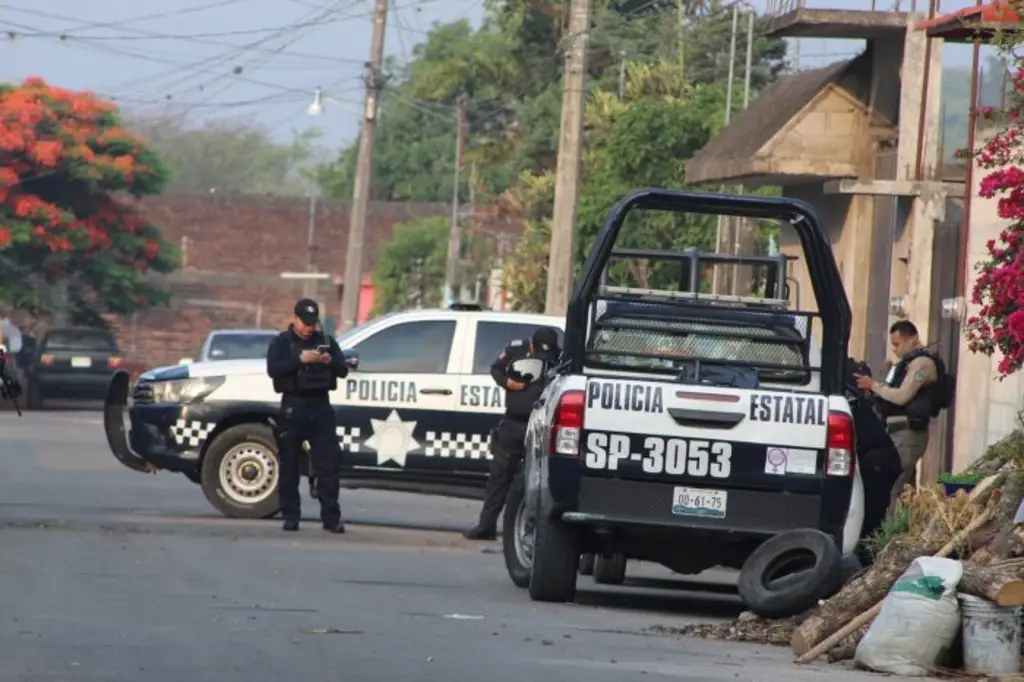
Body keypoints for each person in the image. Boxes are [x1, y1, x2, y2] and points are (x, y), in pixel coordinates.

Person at [464, 326, 561, 540]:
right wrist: (507, 382)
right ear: (532, 344)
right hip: (513, 424)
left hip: (540, 426)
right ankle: (486, 525)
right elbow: (496, 369)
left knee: (538, 480)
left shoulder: (559, 357)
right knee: (499, 477)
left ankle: (536, 533)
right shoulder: (517, 350)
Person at [266, 298, 349, 533]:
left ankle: (331, 518)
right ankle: (291, 515)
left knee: (328, 466)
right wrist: (299, 360)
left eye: (312, 323)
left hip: (321, 408)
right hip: (293, 408)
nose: (308, 328)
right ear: (295, 318)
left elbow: (343, 370)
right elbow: (273, 369)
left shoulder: (325, 341)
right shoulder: (282, 342)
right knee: (290, 465)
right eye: (304, 322)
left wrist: (329, 360)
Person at [854, 320, 948, 508]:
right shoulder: (906, 364)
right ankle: (904, 531)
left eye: (897, 344)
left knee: (894, 487)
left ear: (912, 339)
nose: (895, 350)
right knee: (905, 489)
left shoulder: (922, 364)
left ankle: (889, 534)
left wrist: (873, 385)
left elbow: (903, 396)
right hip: (896, 433)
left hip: (908, 434)